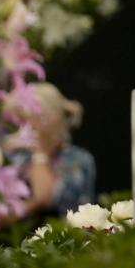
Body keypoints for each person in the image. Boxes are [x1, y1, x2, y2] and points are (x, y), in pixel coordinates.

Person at [16, 83, 96, 218]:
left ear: (50, 118)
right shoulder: (17, 155)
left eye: (29, 117)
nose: (25, 126)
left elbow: (44, 197)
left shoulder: (78, 160)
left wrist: (40, 153)